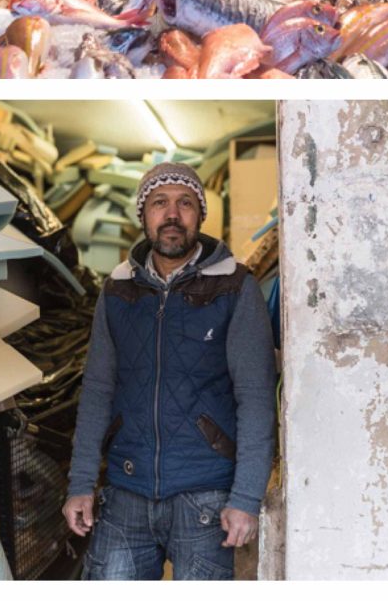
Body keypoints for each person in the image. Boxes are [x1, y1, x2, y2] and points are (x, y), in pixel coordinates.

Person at [62, 162, 276, 580]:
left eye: (186, 203)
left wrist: (246, 497)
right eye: (159, 203)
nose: (172, 214)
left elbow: (255, 395)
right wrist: (81, 483)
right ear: (143, 215)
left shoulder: (234, 286)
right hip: (126, 491)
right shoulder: (118, 289)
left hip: (206, 496)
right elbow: (98, 389)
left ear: (200, 215)